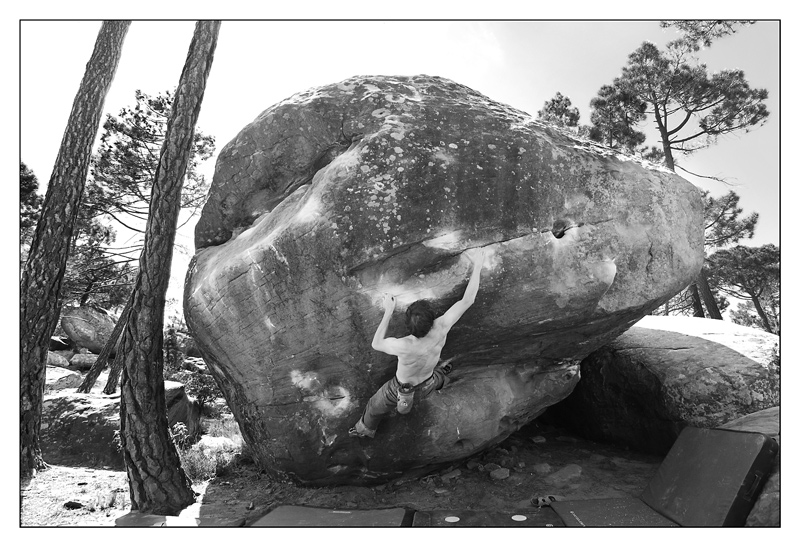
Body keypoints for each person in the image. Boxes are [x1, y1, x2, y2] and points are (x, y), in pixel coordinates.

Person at [349, 248, 486, 439]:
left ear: (408, 326)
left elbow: (376, 344)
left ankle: (364, 430)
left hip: (402, 389)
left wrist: (388, 311)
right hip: (428, 381)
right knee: (437, 376)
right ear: (431, 320)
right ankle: (443, 376)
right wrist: (478, 264)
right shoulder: (442, 327)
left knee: (374, 405)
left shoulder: (404, 345)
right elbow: (468, 299)